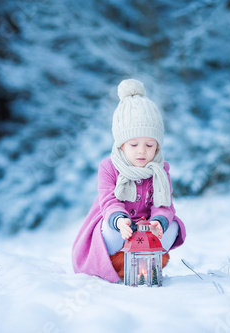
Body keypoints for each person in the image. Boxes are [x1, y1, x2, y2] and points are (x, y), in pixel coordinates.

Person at [72, 79, 186, 283]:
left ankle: (145, 259)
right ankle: (118, 262)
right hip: (118, 224)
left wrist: (158, 222)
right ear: (122, 145)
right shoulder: (109, 167)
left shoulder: (160, 170)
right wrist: (119, 221)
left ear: (157, 147)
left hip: (146, 229)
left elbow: (164, 205)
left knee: (174, 226)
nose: (142, 151)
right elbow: (108, 201)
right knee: (109, 229)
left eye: (150, 145)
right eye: (134, 144)